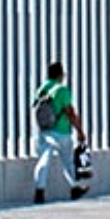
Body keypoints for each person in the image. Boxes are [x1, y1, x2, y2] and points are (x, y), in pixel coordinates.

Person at [31, 60, 88, 203]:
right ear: (60, 75)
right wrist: (80, 131)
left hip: (43, 131)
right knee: (68, 161)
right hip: (61, 131)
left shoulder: (40, 90)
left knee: (44, 160)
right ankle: (75, 188)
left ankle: (39, 191)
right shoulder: (61, 90)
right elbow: (70, 112)